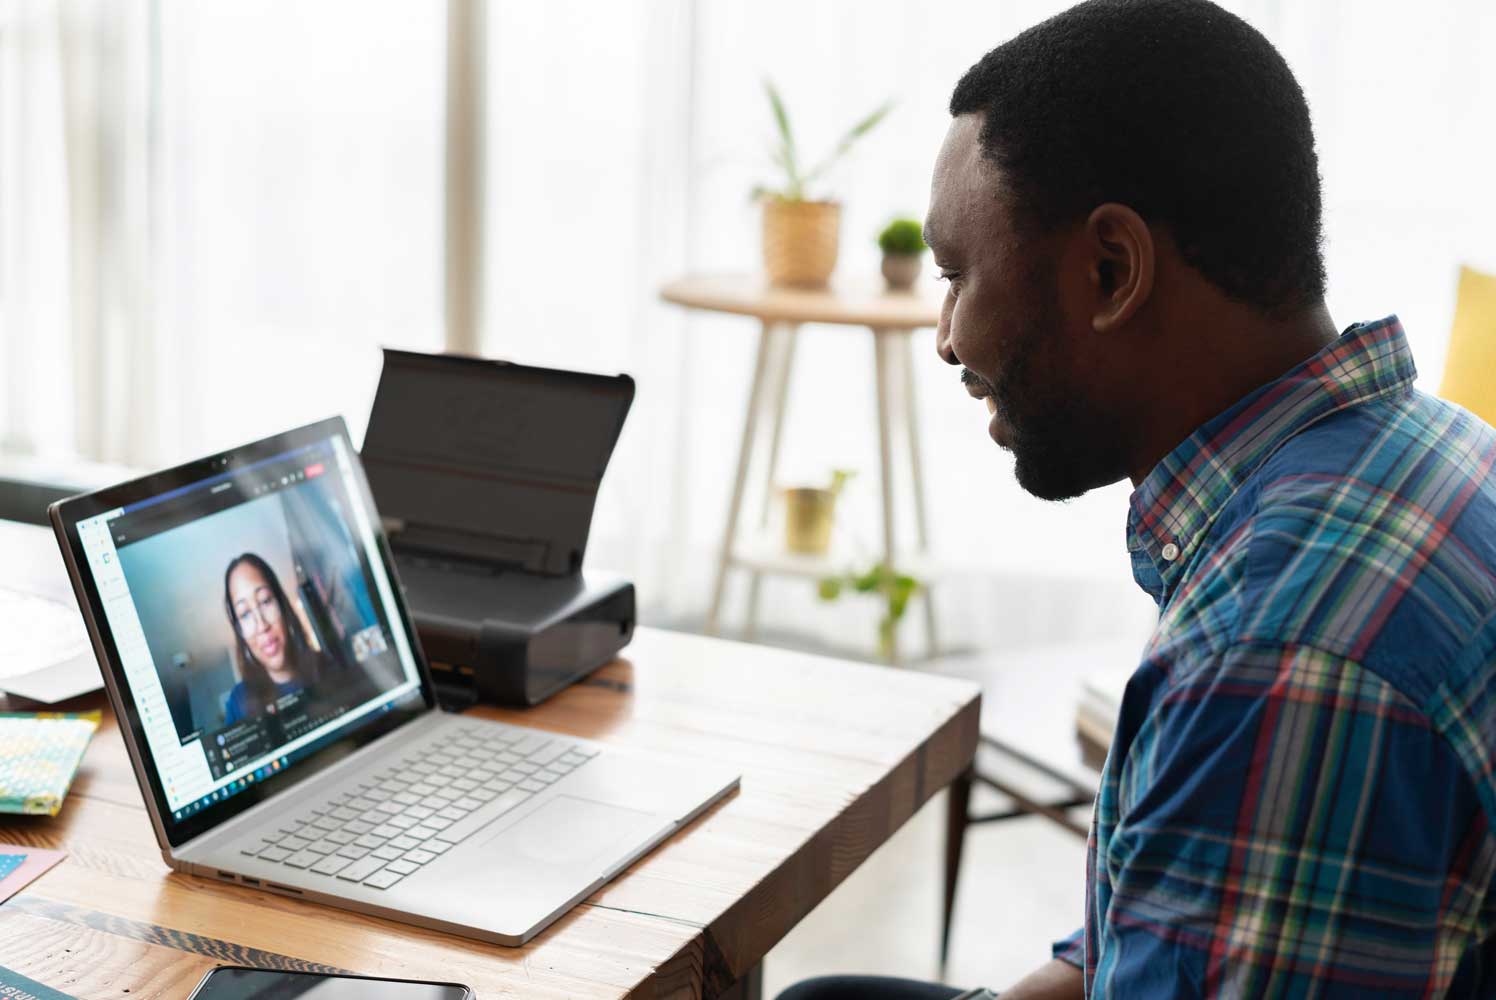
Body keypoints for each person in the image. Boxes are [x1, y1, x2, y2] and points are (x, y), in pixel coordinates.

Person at [779, 0, 1496, 997]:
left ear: (1111, 270)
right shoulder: (1428, 452)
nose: (944, 335)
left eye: (958, 275)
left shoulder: (1276, 651)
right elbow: (1174, 921)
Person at [221, 552, 326, 725]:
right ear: (240, 632)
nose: (261, 626)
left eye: (265, 601)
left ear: (282, 605)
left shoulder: (326, 665)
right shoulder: (238, 703)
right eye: (245, 614)